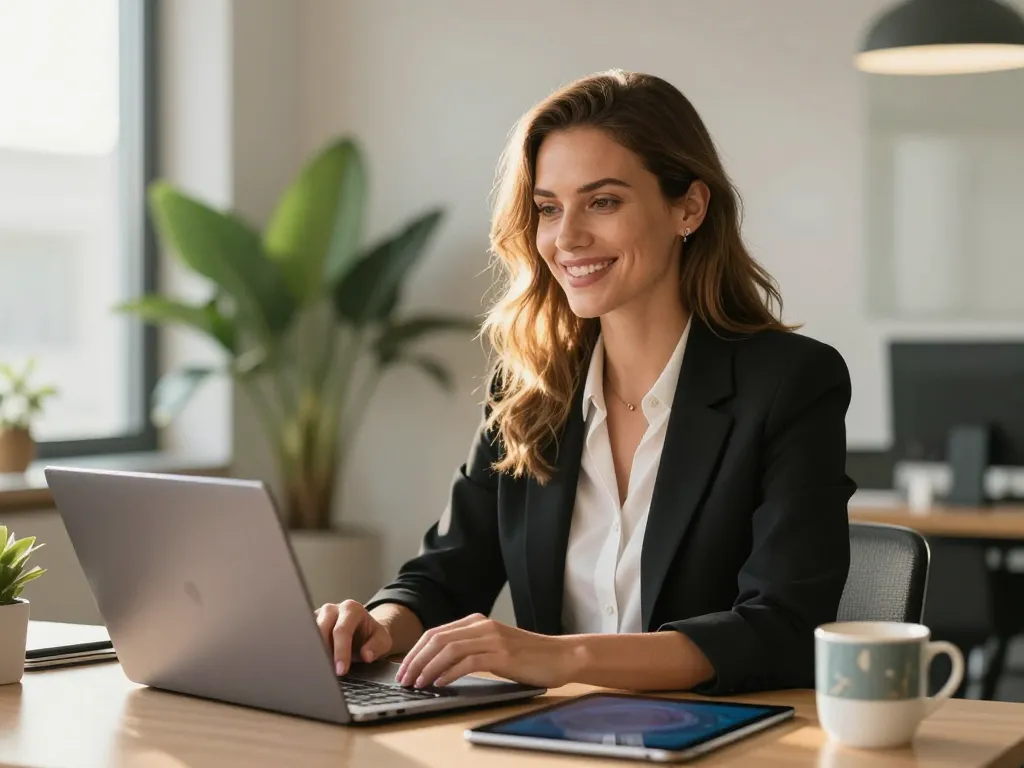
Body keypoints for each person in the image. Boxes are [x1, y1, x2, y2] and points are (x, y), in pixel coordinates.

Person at [315, 69, 856, 696]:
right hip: (551, 743)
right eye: (548, 208)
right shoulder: (529, 390)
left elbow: (782, 628)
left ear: (688, 207)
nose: (566, 238)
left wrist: (562, 658)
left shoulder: (791, 384)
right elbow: (446, 573)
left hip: (722, 743)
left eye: (603, 201)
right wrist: (375, 626)